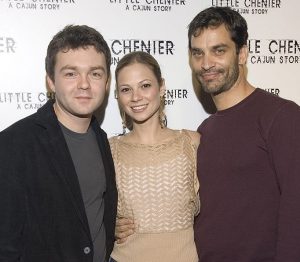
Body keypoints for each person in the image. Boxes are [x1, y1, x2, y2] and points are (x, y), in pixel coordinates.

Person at [188, 6, 300, 262]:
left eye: (219, 50)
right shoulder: (205, 130)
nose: (206, 64)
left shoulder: (281, 116)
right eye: (198, 53)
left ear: (242, 54)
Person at [0, 25, 117, 262]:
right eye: (71, 73)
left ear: (106, 82)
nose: (84, 84)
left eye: (95, 73)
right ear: (51, 82)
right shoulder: (14, 144)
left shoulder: (102, 139)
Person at [108, 51, 200, 262]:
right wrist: (107, 226)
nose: (136, 97)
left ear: (162, 87)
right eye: (126, 89)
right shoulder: (109, 150)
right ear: (118, 96)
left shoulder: (192, 143)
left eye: (145, 85)